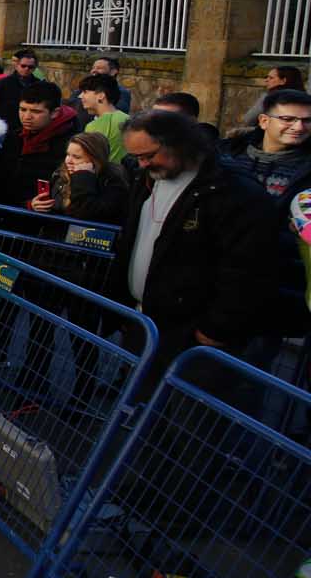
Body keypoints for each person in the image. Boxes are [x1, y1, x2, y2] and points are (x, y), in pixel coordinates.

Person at [115, 107, 293, 365]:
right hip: (145, 322)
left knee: (181, 404)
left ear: (180, 144)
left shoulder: (233, 192)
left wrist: (216, 327)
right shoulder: (149, 178)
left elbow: (248, 268)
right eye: (137, 157)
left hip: (193, 337)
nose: (142, 164)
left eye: (149, 155)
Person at [0, 79, 80, 207]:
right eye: (23, 109)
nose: (26, 117)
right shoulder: (15, 136)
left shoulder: (71, 144)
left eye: (35, 112)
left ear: (55, 113)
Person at [27, 132, 128, 222]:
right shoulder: (59, 174)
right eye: (68, 155)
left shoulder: (112, 180)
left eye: (77, 157)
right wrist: (32, 205)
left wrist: (83, 176)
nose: (68, 161)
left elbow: (86, 212)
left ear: (95, 160)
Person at [75, 73, 129, 164]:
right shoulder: (128, 119)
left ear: (101, 95)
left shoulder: (93, 126)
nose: (80, 96)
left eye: (85, 92)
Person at [0, 50, 43, 133]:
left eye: (30, 67)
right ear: (17, 66)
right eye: (23, 66)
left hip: (30, 127)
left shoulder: (40, 85)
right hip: (7, 128)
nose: (26, 69)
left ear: (35, 68)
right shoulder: (3, 83)